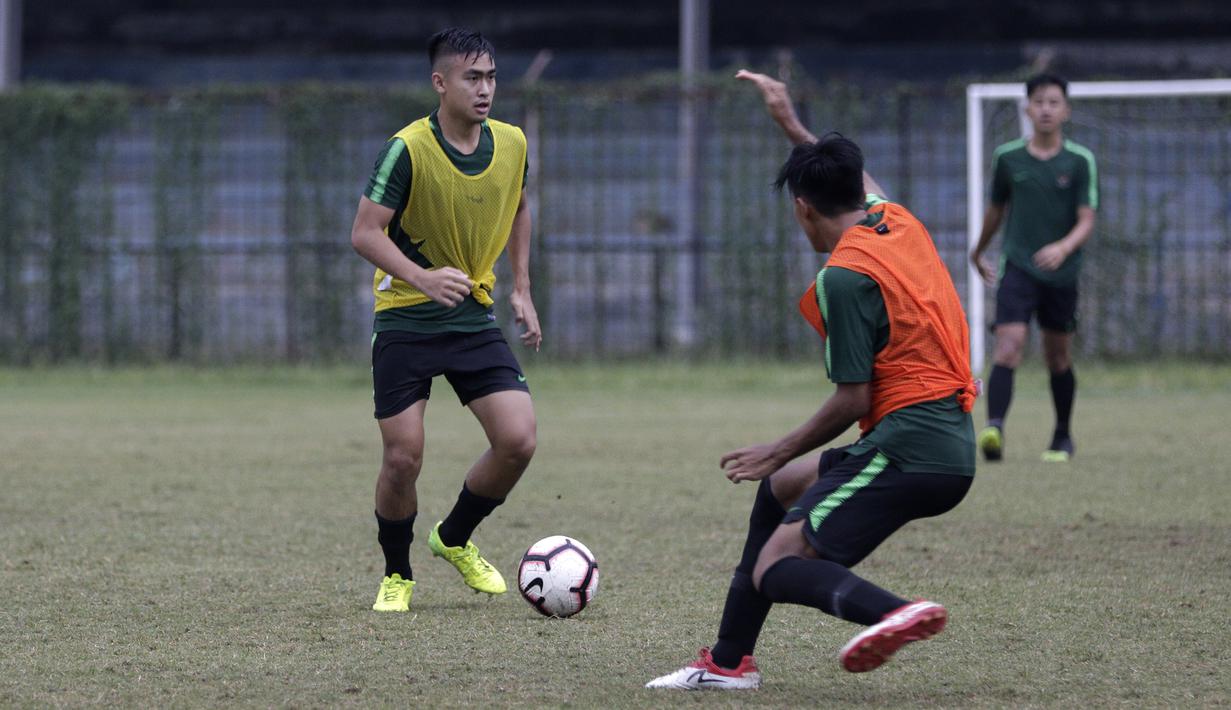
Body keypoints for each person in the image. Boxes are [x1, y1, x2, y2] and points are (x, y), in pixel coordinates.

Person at [646, 71, 978, 690]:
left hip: (913, 447)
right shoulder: (896, 221)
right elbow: (858, 181)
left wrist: (777, 447)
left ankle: (894, 613)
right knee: (779, 491)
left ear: (801, 207)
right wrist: (791, 123)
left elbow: (854, 399)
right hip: (940, 437)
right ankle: (728, 663)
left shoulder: (844, 278)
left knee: (775, 567)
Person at [349, 27, 541, 612]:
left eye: (491, 78)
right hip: (406, 319)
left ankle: (454, 537)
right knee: (403, 457)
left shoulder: (512, 143)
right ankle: (397, 574)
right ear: (440, 82)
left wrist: (522, 288)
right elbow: (364, 233)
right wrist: (423, 278)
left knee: (518, 440)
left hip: (471, 316)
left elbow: (519, 207)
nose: (485, 90)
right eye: (471, 78)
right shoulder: (406, 149)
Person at [970, 73, 1098, 463]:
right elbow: (995, 211)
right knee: (1008, 346)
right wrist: (978, 251)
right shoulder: (1008, 158)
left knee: (1057, 356)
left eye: (1053, 102)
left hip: (1062, 273)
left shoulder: (1079, 161)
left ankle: (1062, 436)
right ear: (1027, 108)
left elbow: (1087, 219)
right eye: (1039, 101)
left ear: (1066, 110)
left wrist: (1063, 247)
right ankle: (994, 430)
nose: (1045, 109)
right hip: (1018, 267)